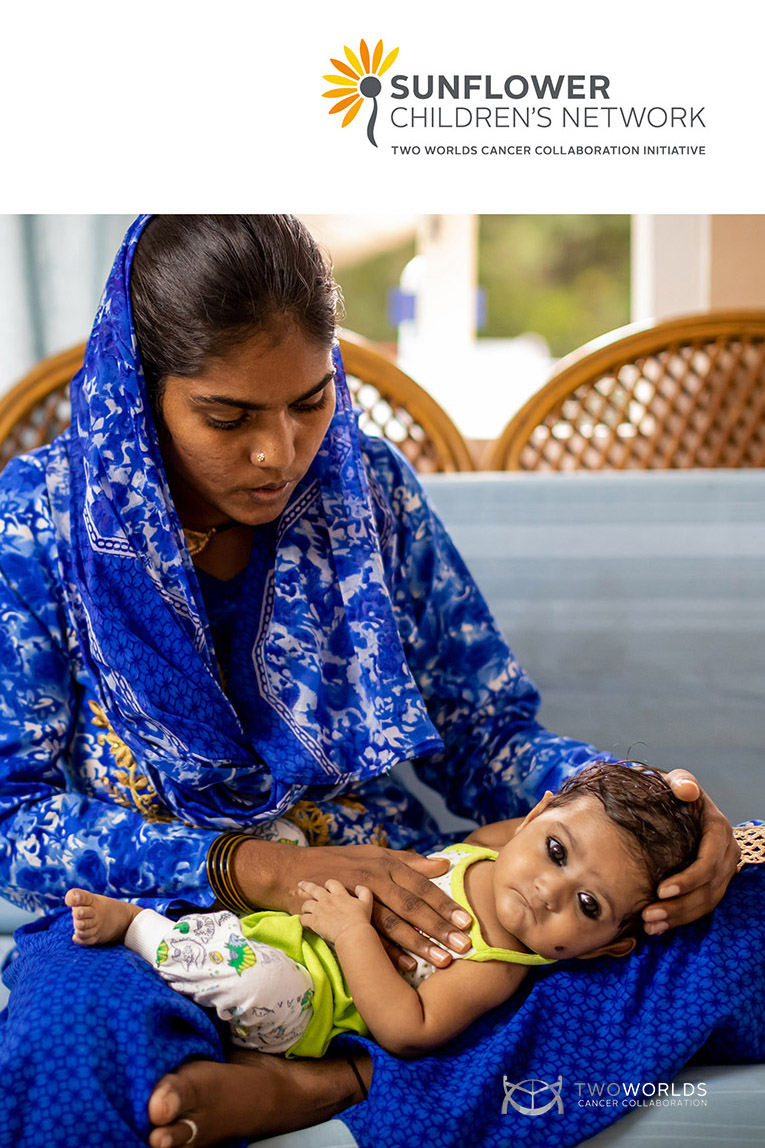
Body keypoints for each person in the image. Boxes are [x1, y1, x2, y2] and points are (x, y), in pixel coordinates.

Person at [0, 214, 750, 1148]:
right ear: (139, 392)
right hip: (144, 912)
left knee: (748, 911)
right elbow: (14, 814)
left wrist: (657, 817)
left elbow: (486, 738)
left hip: (400, 902)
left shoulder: (372, 493)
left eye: (312, 401)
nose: (281, 454)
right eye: (229, 417)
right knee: (67, 1045)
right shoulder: (37, 526)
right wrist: (252, 867)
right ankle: (398, 1068)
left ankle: (337, 1079)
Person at [64, 763, 705, 1062]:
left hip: (305, 997)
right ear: (533, 819)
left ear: (604, 947)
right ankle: (194, 924)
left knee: (252, 980)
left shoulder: (493, 964)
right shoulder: (488, 849)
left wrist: (349, 933)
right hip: (295, 918)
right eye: (556, 851)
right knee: (282, 834)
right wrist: (672, 801)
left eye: (589, 906)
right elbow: (576, 814)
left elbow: (408, 1028)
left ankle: (139, 926)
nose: (550, 889)